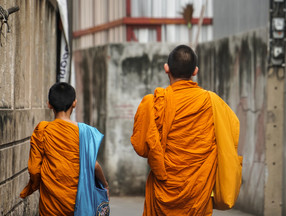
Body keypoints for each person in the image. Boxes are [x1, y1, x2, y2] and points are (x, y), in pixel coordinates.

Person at [131, 45, 240, 216]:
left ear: (166, 68)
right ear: (195, 71)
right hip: (198, 191)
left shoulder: (153, 103)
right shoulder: (212, 103)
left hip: (162, 192)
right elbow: (230, 137)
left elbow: (141, 148)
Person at [20, 82, 109, 215]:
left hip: (51, 203)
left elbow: (34, 169)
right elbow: (94, 166)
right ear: (74, 103)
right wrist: (105, 185)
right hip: (77, 202)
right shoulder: (84, 132)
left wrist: (34, 186)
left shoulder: (43, 130)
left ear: (49, 104)